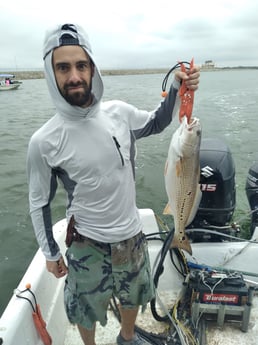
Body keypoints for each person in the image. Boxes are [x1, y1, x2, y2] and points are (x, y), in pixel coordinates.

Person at [27, 23, 200, 345]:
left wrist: (178, 87)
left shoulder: (119, 113)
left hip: (131, 234)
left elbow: (159, 122)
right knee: (84, 308)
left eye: (82, 65)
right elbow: (39, 202)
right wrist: (50, 253)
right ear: (51, 74)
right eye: (63, 67)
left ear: (93, 68)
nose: (74, 75)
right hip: (86, 241)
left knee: (135, 294)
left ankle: (127, 337)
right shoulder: (44, 141)